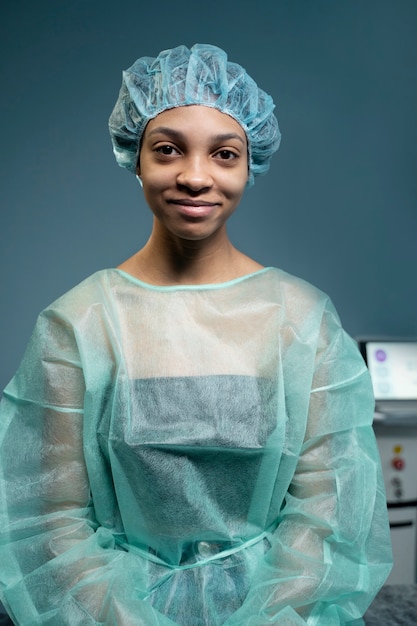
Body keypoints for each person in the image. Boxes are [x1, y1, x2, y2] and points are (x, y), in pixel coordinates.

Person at [0, 43, 392, 625]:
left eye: (224, 154)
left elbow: (329, 511)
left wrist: (269, 616)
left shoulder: (300, 319)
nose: (195, 176)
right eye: (168, 150)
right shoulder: (80, 322)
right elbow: (46, 519)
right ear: (134, 158)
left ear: (249, 164)